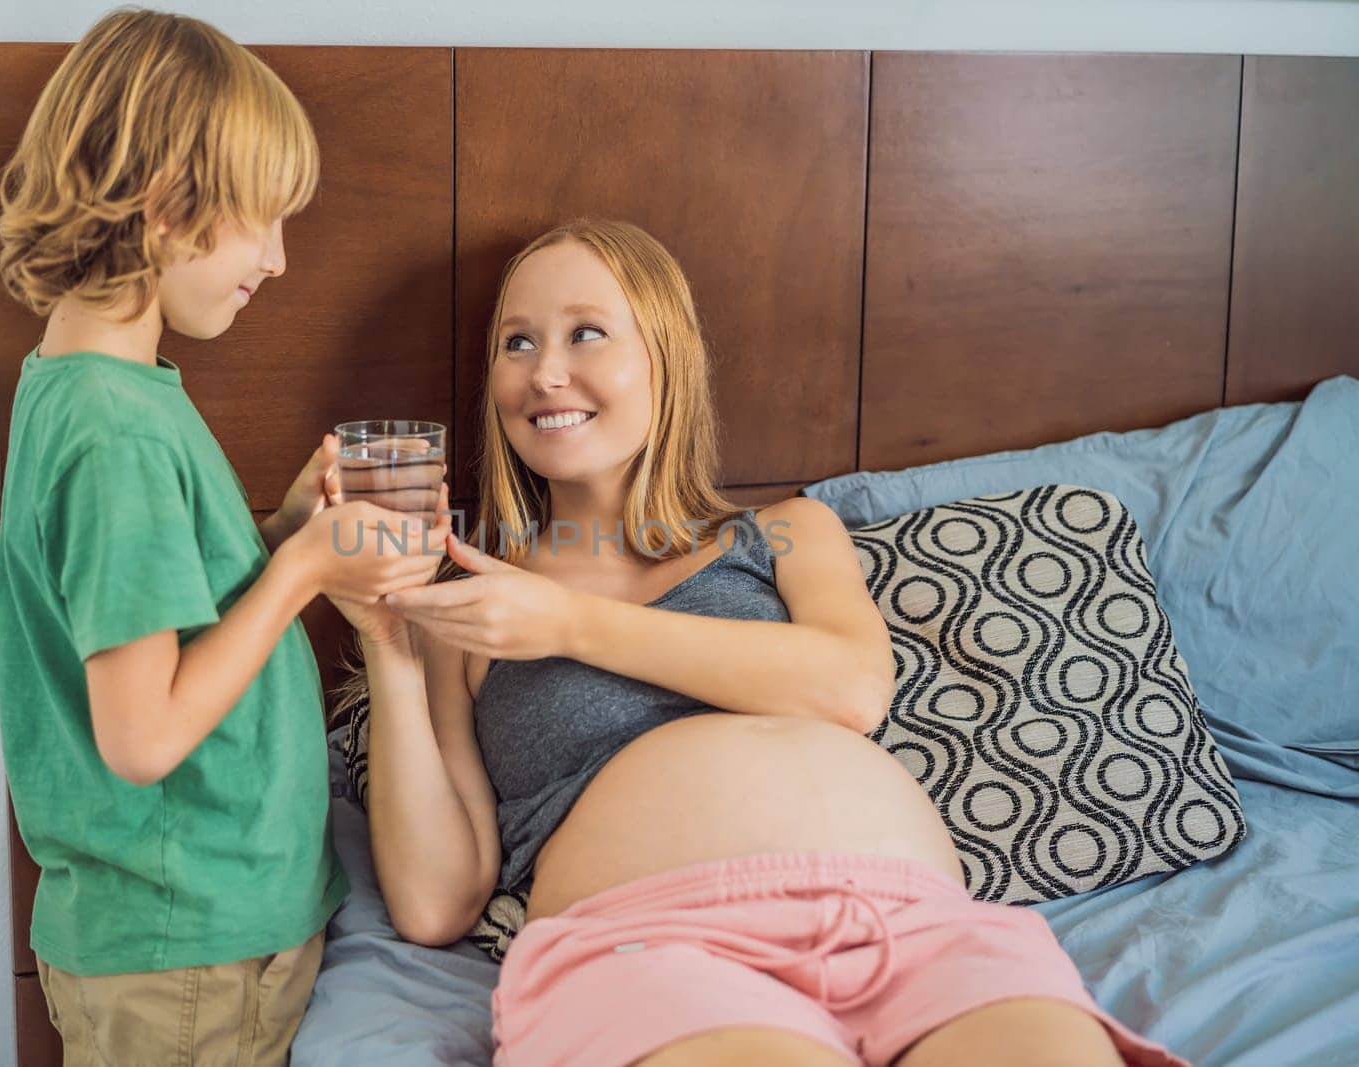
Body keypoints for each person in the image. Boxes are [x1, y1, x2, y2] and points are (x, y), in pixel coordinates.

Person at [342, 219, 1187, 1067]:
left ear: (667, 356)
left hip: (917, 930)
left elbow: (850, 688)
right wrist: (387, 637)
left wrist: (568, 624)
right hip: (655, 950)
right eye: (516, 342)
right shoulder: (471, 610)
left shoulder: (785, 534)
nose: (544, 371)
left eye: (585, 332)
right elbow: (434, 902)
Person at [0, 9, 445, 1063]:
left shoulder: (98, 390)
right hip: (184, 948)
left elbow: (155, 612)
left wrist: (282, 531)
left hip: (185, 934)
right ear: (168, 205)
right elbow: (142, 735)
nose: (279, 261)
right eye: (262, 223)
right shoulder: (116, 434)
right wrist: (297, 571)